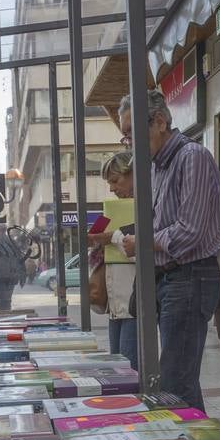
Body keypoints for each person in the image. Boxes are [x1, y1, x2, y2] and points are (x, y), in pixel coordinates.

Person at [111, 90, 220, 411]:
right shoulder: (155, 167)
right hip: (167, 277)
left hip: (190, 276)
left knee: (175, 380)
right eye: (125, 138)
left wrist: (143, 243)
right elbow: (156, 224)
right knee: (180, 377)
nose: (130, 144)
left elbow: (191, 231)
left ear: (160, 121)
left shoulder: (192, 157)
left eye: (133, 133)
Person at [94, 151, 140, 369]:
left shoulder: (149, 206)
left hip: (134, 302)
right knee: (119, 366)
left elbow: (149, 252)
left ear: (133, 175)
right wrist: (94, 240)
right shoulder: (109, 212)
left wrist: (112, 237)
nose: (112, 188)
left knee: (129, 367)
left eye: (115, 180)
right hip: (114, 303)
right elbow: (92, 241)